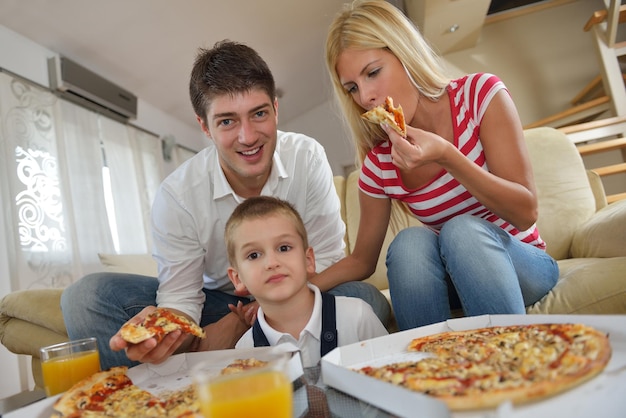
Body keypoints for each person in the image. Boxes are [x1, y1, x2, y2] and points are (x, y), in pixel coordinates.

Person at [60, 39, 391, 370]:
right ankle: (173, 393)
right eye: (227, 121)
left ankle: (226, 359)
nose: (247, 137)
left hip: (297, 292)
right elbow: (182, 300)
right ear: (204, 126)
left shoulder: (307, 157)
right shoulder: (177, 195)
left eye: (259, 114)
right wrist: (164, 326)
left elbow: (327, 259)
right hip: (217, 305)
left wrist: (260, 309)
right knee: (85, 299)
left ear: (276, 110)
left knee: (364, 301)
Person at [317, 0, 559, 331]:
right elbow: (361, 260)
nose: (366, 97)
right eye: (352, 88)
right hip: (454, 282)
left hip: (524, 265)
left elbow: (525, 211)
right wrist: (295, 289)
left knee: (462, 230)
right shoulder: (379, 164)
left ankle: (511, 364)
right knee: (409, 243)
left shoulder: (480, 96)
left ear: (405, 55)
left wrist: (447, 155)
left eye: (373, 73)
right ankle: (425, 370)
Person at [224, 196, 388, 367]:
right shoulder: (245, 351)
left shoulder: (357, 317)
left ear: (308, 260)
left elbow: (393, 380)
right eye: (254, 255)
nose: (272, 263)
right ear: (238, 279)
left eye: (284, 248)